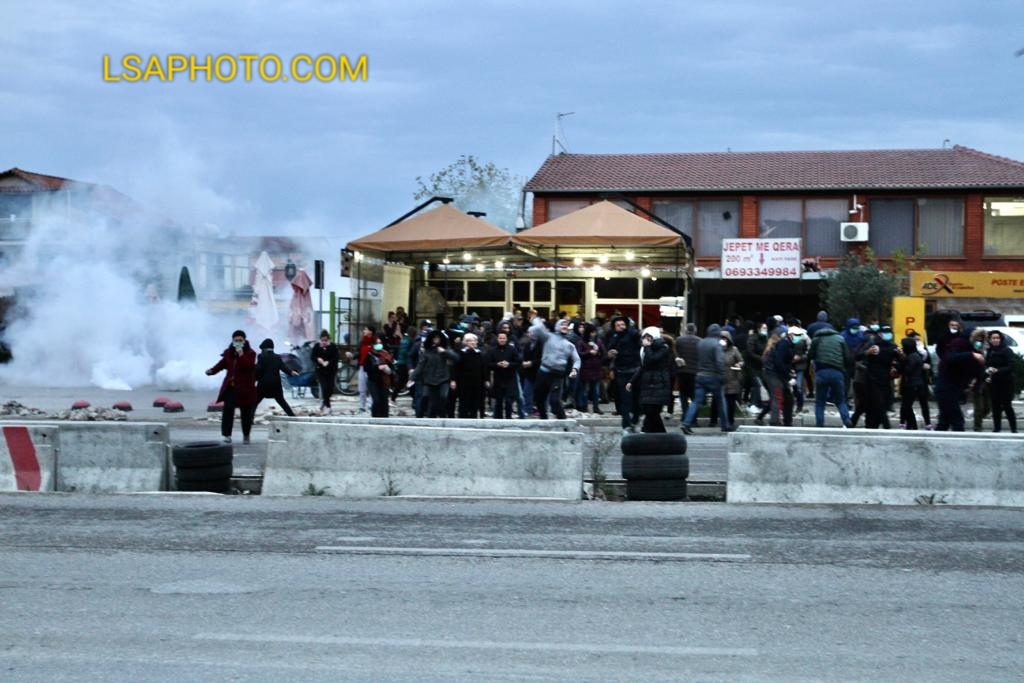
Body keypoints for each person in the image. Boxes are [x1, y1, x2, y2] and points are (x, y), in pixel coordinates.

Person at [206, 329, 258, 444]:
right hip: (231, 387)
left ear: (244, 341)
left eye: (240, 340)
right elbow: (222, 364)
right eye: (236, 340)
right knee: (228, 411)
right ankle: (227, 435)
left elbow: (248, 367)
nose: (238, 342)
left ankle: (246, 435)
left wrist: (241, 354)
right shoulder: (228, 352)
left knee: (246, 413)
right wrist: (212, 371)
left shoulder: (251, 353)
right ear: (233, 340)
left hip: (245, 389)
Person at [681, 323, 733, 434]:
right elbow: (719, 362)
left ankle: (686, 423)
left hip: (700, 375)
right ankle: (725, 425)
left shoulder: (701, 343)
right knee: (720, 400)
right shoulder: (717, 344)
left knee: (696, 401)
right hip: (714, 376)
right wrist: (723, 375)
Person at [935, 320, 985, 431]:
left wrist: (976, 383)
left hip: (956, 386)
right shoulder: (959, 344)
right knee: (956, 418)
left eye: (981, 340)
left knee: (945, 418)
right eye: (977, 339)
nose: (979, 342)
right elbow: (950, 358)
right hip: (945, 384)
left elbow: (978, 372)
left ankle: (940, 440)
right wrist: (971, 355)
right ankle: (959, 439)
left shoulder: (977, 352)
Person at [529, 316, 581, 420]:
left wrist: (575, 369)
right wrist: (535, 319)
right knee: (538, 399)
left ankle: (563, 421)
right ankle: (544, 419)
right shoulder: (548, 336)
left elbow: (577, 360)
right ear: (557, 326)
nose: (565, 326)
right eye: (562, 324)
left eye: (566, 325)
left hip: (557, 375)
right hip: (543, 372)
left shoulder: (569, 345)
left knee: (555, 401)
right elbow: (537, 329)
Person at [626, 326, 673, 432]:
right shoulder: (644, 349)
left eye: (649, 337)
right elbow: (643, 367)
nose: (646, 339)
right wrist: (631, 381)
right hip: (648, 384)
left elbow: (653, 359)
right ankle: (650, 433)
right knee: (648, 410)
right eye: (645, 337)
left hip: (659, 384)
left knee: (652, 411)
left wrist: (647, 347)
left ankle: (661, 434)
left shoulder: (663, 347)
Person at [808, 323, 853, 428]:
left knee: (820, 401)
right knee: (841, 400)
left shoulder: (816, 339)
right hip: (837, 372)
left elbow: (810, 355)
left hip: (821, 372)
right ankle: (846, 420)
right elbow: (848, 358)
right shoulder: (840, 339)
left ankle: (819, 424)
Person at [855, 324, 899, 429]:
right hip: (872, 379)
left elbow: (900, 360)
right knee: (879, 404)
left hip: (885, 380)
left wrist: (898, 362)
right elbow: (857, 355)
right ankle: (887, 427)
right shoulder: (872, 344)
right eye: (885, 333)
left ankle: (870, 426)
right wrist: (868, 352)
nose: (888, 335)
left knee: (873, 405)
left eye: (890, 333)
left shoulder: (892, 346)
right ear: (879, 334)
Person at [408, 329, 458, 418]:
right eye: (434, 338)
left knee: (443, 396)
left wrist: (444, 352)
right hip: (429, 380)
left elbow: (456, 358)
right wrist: (412, 378)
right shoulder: (427, 352)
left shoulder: (446, 349)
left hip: (443, 378)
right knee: (426, 398)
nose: (436, 339)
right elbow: (420, 366)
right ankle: (424, 416)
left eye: (438, 338)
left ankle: (441, 413)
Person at [606, 316, 642, 434]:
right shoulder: (613, 337)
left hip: (634, 371)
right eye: (618, 325)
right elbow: (608, 351)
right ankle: (626, 424)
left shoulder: (632, 334)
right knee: (625, 399)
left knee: (636, 399)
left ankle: (635, 420)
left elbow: (638, 336)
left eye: (622, 324)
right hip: (621, 371)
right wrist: (610, 354)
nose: (621, 327)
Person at [254, 338, 298, 417]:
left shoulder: (261, 356)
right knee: (281, 401)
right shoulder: (277, 357)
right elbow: (283, 366)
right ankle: (292, 416)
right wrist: (291, 372)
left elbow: (258, 369)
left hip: (264, 385)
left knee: (255, 402)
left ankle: (249, 419)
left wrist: (254, 379)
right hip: (276, 384)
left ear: (264, 349)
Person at [985, 329, 1018, 433]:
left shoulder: (1006, 350)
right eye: (993, 338)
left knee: (1007, 405)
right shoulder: (990, 351)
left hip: (1006, 382)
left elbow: (1011, 366)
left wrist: (998, 370)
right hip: (994, 382)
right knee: (995, 406)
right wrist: (987, 371)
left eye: (997, 338)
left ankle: (1013, 429)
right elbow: (987, 364)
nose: (995, 340)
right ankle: (997, 428)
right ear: (990, 340)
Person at [895, 335, 931, 430]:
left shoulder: (912, 356)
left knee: (906, 406)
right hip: (917, 384)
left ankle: (910, 425)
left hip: (912, 384)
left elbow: (907, 370)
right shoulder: (915, 355)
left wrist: (899, 364)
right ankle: (913, 425)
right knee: (909, 406)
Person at [452, 332, 487, 419]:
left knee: (475, 404)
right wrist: (453, 380)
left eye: (474, 341)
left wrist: (486, 380)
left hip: (477, 383)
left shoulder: (480, 354)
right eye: (470, 341)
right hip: (463, 383)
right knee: (464, 404)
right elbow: (455, 368)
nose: (473, 342)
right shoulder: (461, 353)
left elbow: (484, 368)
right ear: (465, 342)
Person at [487, 330, 521, 419]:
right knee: (498, 401)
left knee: (509, 401)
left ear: (507, 339)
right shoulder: (492, 350)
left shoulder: (512, 349)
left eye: (504, 338)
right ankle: (498, 419)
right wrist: (497, 365)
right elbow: (488, 364)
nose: (502, 340)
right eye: (500, 338)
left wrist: (509, 364)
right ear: (497, 339)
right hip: (498, 379)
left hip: (510, 379)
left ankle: (508, 418)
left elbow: (518, 362)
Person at [575, 323, 606, 414]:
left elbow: (604, 353)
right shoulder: (581, 342)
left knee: (596, 390)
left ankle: (596, 407)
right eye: (592, 332)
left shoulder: (598, 341)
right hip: (586, 369)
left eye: (594, 332)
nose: (593, 334)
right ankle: (584, 406)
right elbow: (578, 354)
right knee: (585, 389)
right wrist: (589, 353)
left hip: (596, 368)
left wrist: (599, 355)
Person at [363, 333, 395, 418]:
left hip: (384, 381)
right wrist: (378, 367)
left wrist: (388, 370)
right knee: (376, 401)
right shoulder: (369, 354)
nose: (379, 345)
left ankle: (384, 420)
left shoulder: (386, 354)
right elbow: (366, 368)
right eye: (377, 343)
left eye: (380, 343)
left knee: (384, 402)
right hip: (373, 381)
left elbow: (392, 368)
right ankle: (375, 418)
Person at [674, 322, 701, 417]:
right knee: (694, 396)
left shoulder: (679, 340)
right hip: (695, 372)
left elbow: (675, 354)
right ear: (695, 330)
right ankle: (693, 418)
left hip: (682, 371)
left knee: (683, 395)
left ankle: (685, 415)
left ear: (686, 330)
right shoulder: (699, 341)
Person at [310, 329, 340, 415]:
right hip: (320, 370)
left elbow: (336, 357)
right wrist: (318, 359)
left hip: (331, 370)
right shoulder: (317, 346)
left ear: (328, 340)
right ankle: (328, 406)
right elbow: (312, 356)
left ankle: (325, 401)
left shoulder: (333, 346)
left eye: (325, 340)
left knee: (330, 388)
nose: (324, 342)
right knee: (324, 387)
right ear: (320, 340)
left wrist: (329, 362)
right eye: (322, 340)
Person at [720, 329, 744, 427]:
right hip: (720, 378)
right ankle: (715, 420)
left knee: (730, 402)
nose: (724, 341)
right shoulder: (717, 349)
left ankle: (730, 421)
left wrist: (739, 364)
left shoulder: (734, 350)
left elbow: (741, 361)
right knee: (718, 401)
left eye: (725, 339)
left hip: (732, 378)